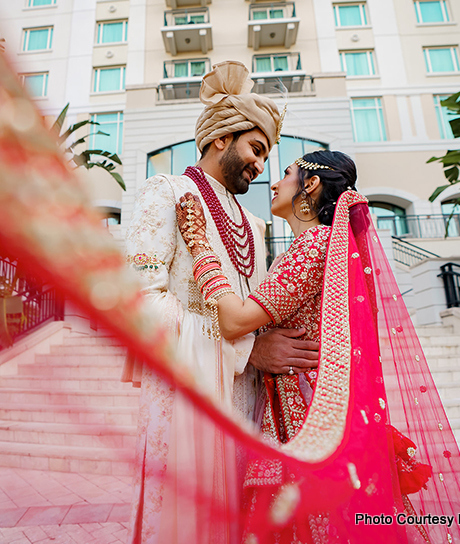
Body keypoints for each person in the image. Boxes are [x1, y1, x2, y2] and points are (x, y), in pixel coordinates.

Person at [176, 151, 460, 543]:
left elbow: (235, 320)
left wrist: (199, 246)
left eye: (287, 173)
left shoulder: (314, 245)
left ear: (309, 185)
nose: (274, 183)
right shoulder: (323, 246)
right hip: (305, 406)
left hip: (307, 416)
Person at [122, 61, 317, 544]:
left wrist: (265, 343)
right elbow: (139, 304)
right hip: (184, 396)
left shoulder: (255, 225)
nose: (261, 165)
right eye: (255, 148)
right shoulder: (166, 192)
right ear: (219, 140)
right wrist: (249, 350)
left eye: (268, 155)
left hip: (246, 402)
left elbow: (251, 309)